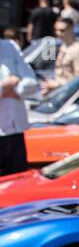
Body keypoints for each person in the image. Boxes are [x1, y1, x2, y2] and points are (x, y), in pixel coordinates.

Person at [0, 37, 39, 175]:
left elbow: (32, 83)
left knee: (17, 183)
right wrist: (7, 84)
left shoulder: (10, 47)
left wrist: (15, 91)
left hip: (15, 130)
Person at [43, 20, 79, 91]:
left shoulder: (78, 50)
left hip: (70, 93)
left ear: (71, 29)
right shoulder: (63, 47)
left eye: (62, 30)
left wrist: (57, 84)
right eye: (56, 30)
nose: (58, 33)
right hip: (60, 92)